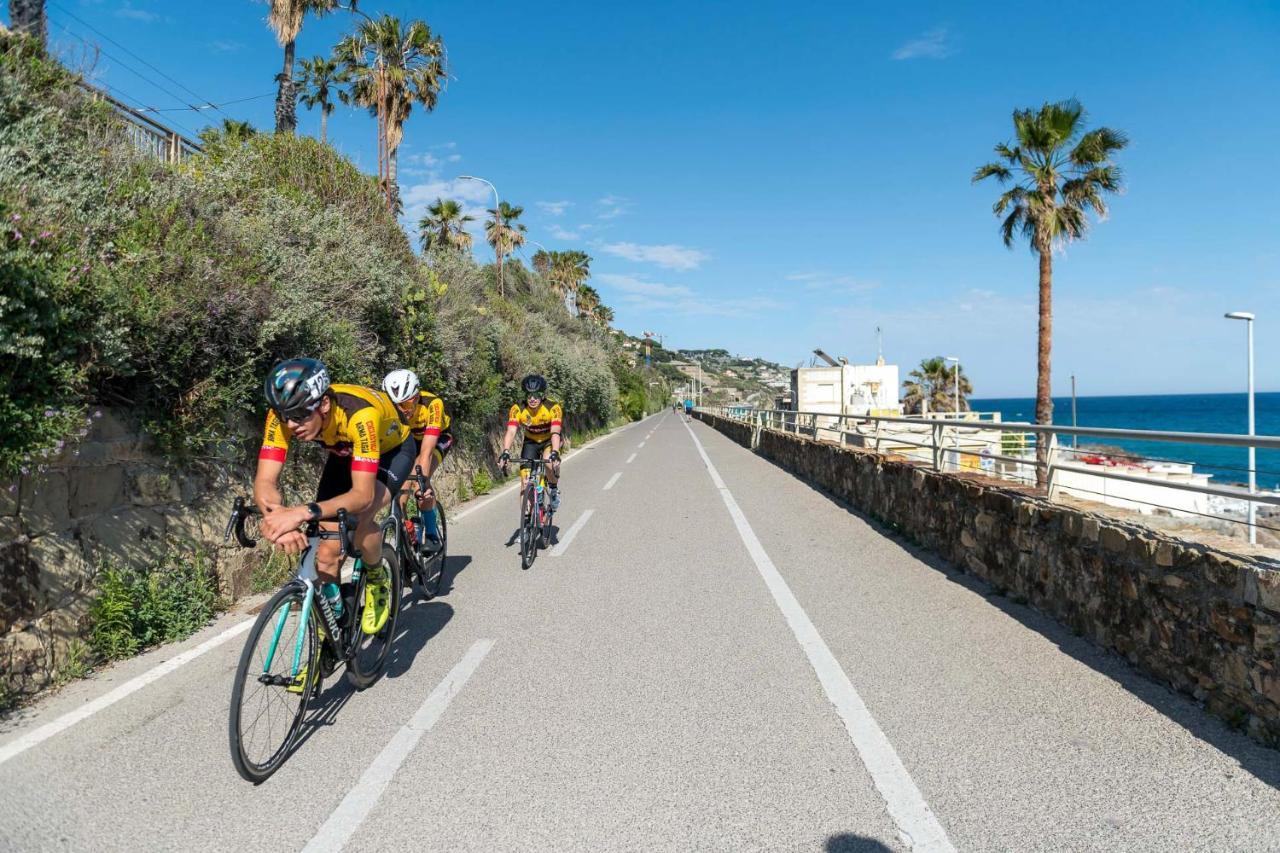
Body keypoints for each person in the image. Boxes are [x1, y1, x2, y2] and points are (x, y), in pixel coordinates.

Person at [254, 358, 414, 642]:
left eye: (301, 414)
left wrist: (302, 513)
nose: (291, 424)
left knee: (363, 517)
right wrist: (277, 516)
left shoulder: (359, 416)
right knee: (326, 553)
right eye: (284, 416)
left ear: (324, 404)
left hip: (392, 450)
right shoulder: (285, 417)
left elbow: (362, 496)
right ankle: (332, 631)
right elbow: (266, 480)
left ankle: (377, 578)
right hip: (344, 452)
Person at [382, 368, 452, 551]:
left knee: (419, 481)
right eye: (396, 405)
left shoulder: (432, 404)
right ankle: (407, 532)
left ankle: (431, 534)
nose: (401, 411)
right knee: (399, 494)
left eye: (405, 405)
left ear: (415, 396)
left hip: (437, 440)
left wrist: (423, 483)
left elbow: (427, 451)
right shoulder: (391, 409)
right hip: (409, 443)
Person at [498, 374, 563, 510]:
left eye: (536, 395)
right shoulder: (518, 409)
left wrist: (555, 452)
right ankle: (528, 518)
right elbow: (511, 431)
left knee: (548, 462)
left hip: (549, 441)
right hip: (531, 442)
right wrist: (505, 452)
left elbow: (555, 432)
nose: (532, 399)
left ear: (542, 396)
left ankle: (553, 489)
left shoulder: (553, 407)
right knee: (525, 480)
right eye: (529, 395)